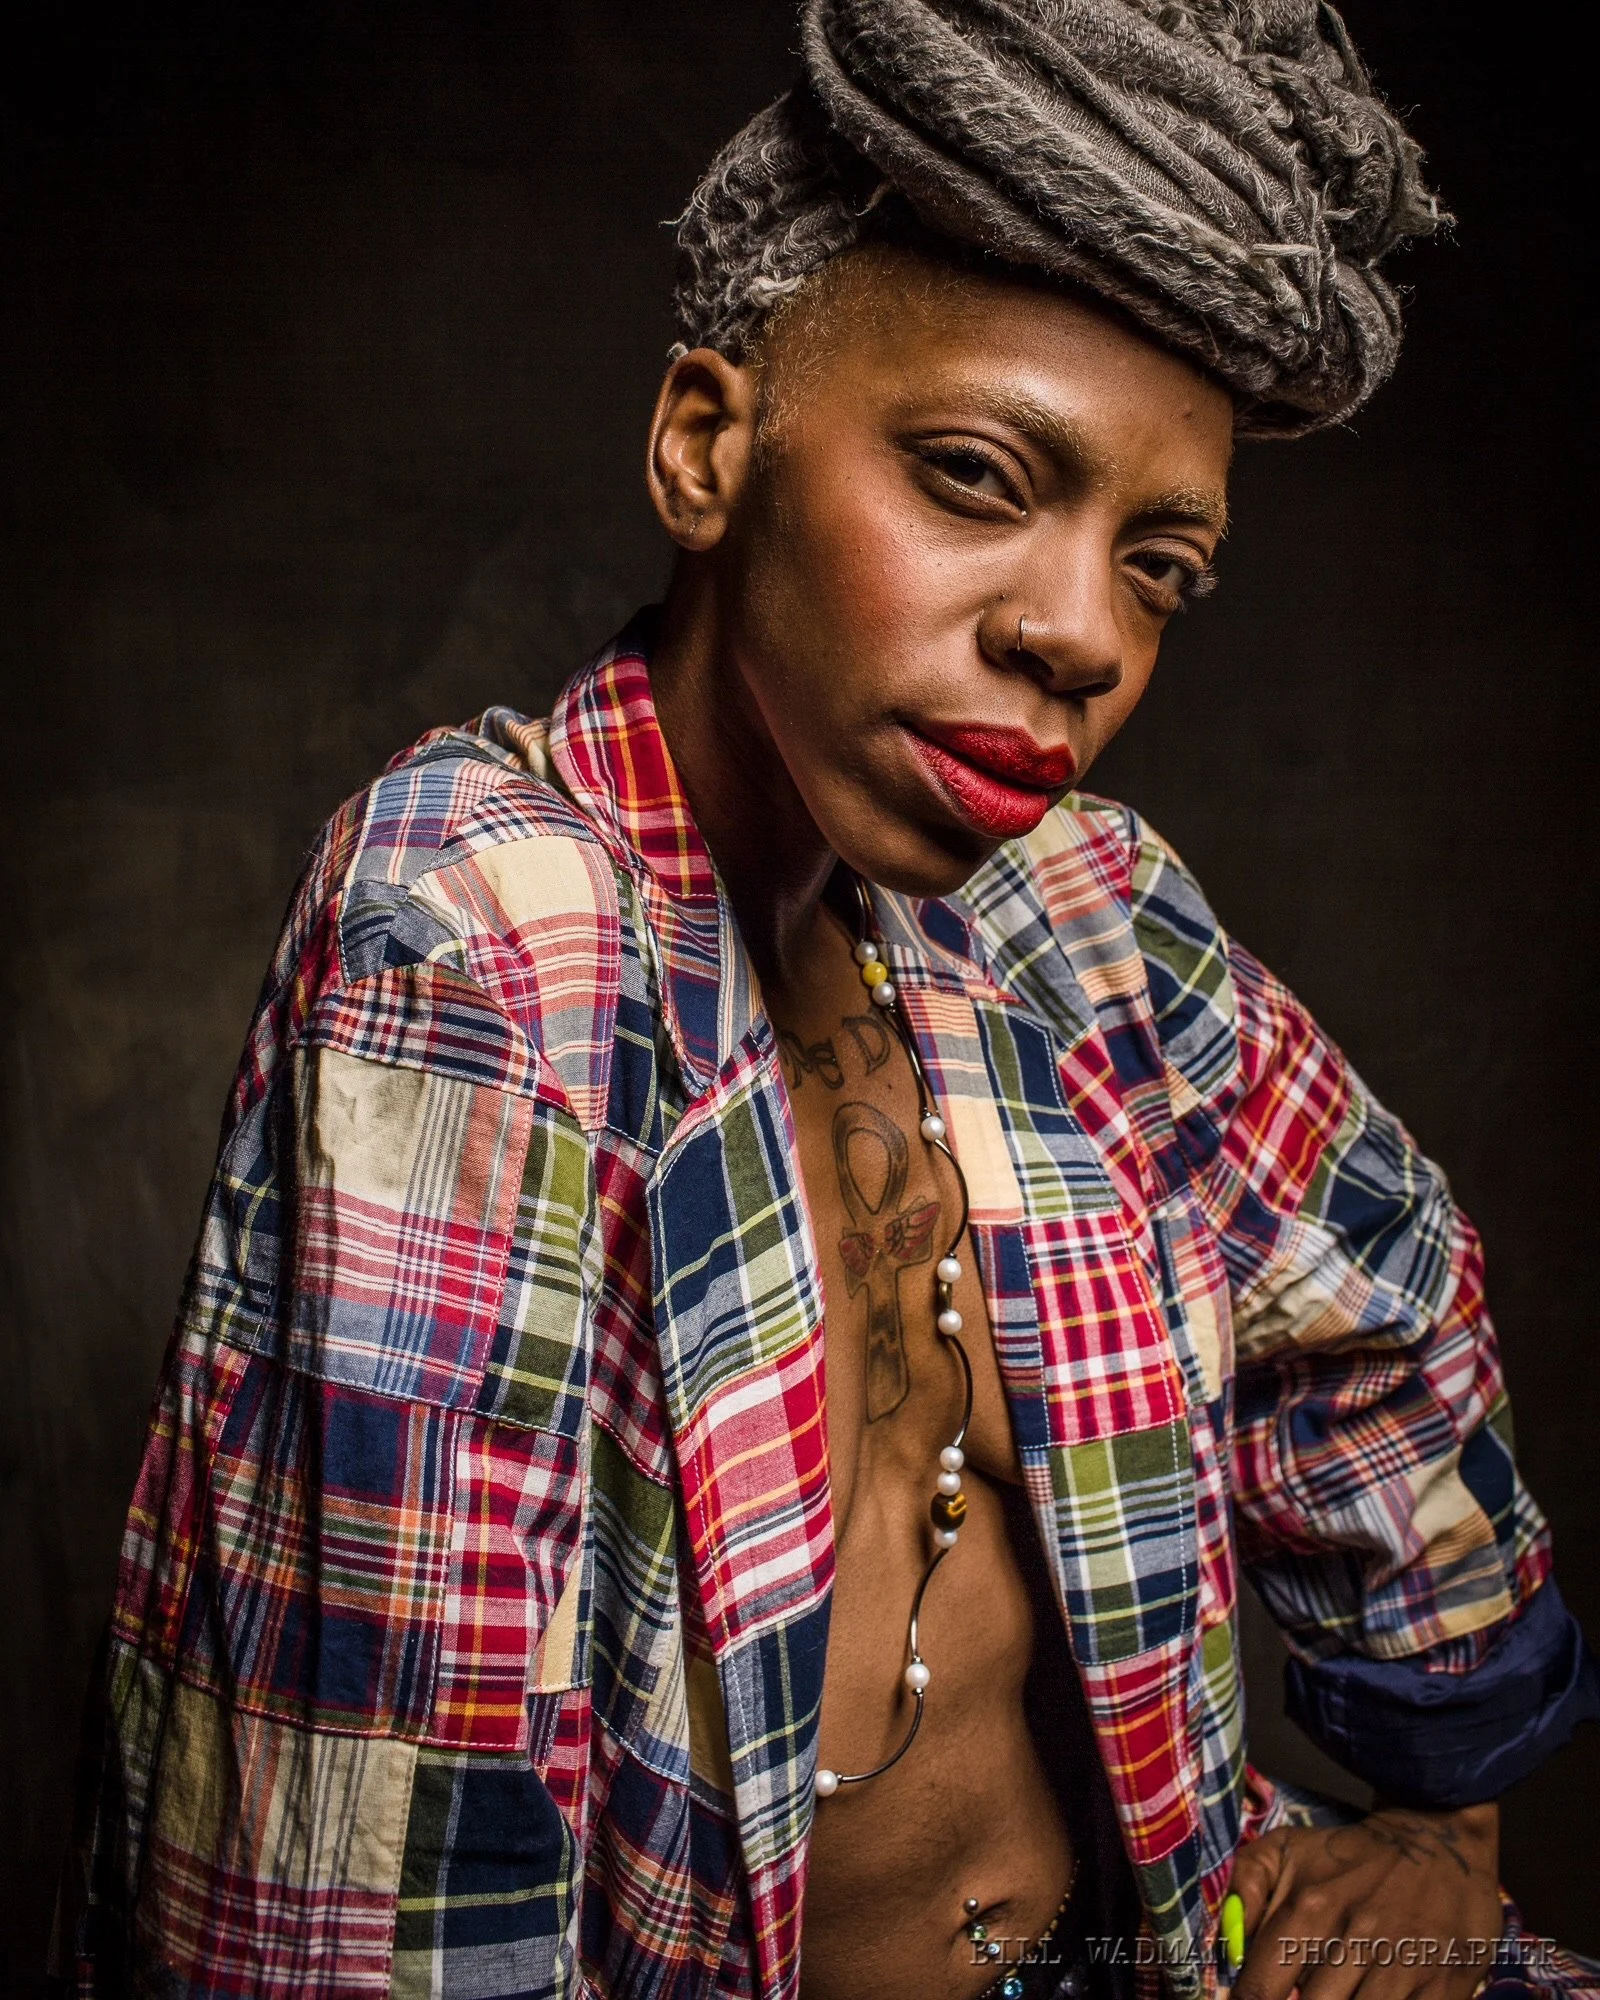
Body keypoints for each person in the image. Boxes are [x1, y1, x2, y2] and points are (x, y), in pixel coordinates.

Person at [51, 3, 1600, 1998]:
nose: (1075, 635)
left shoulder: (1080, 906)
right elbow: (373, 1857)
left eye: (1158, 570)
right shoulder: (482, 933)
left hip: (1169, 1942)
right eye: (971, 477)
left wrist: (1429, 1825)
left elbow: (1376, 1307)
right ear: (708, 445)